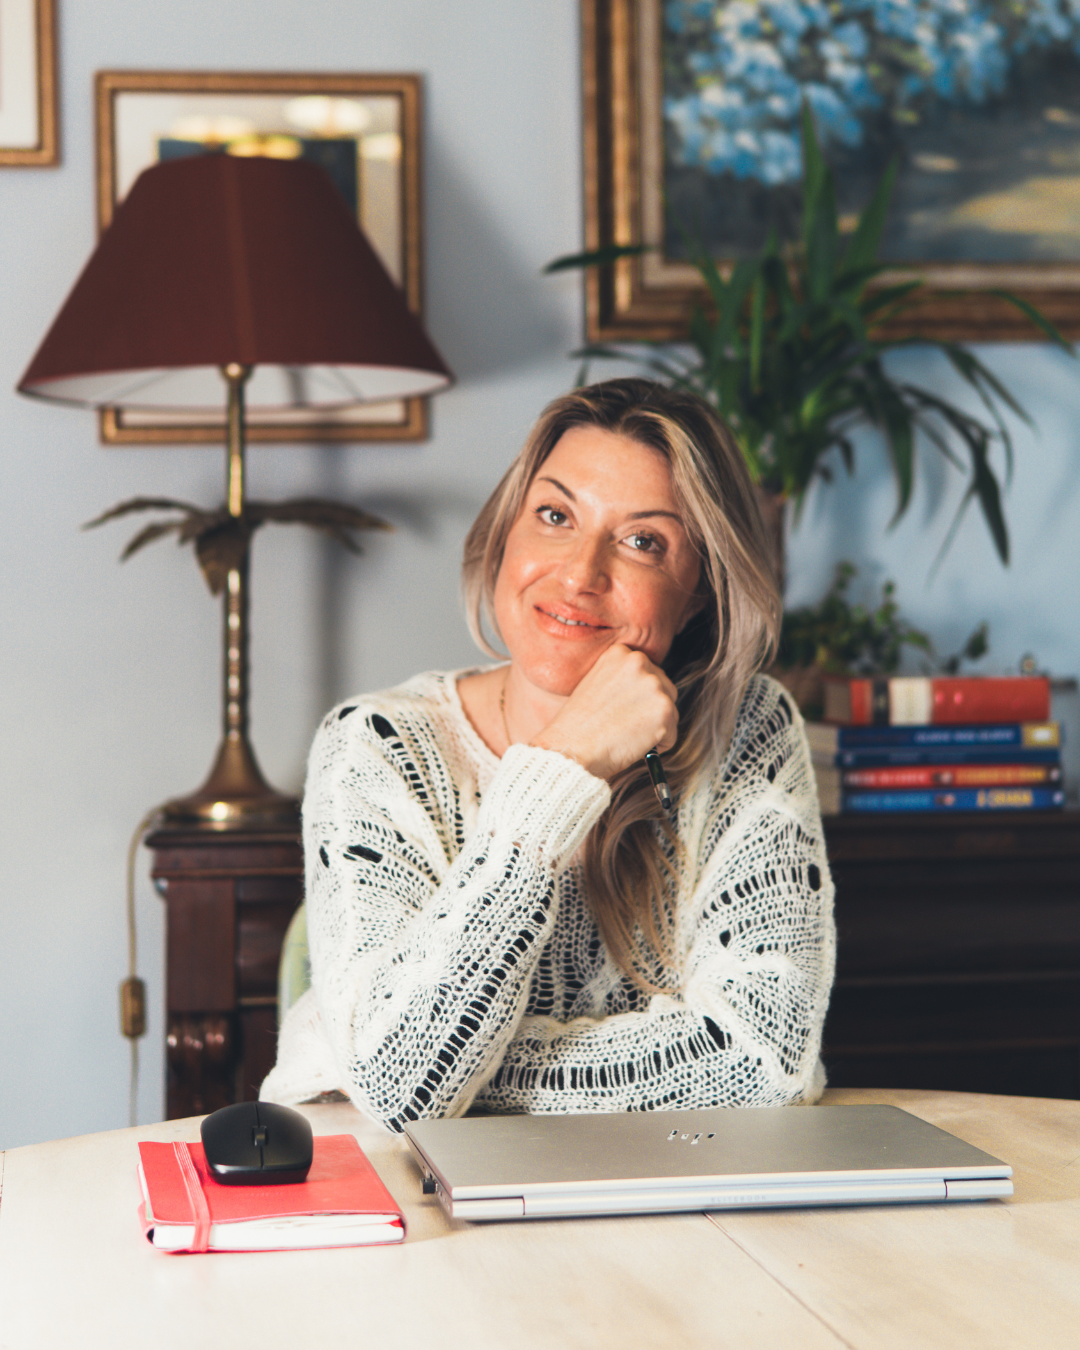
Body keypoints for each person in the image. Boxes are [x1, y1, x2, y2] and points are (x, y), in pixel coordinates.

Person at [261, 378, 835, 1132]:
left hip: (656, 1201)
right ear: (507, 533)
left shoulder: (747, 733)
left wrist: (448, 1067)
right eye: (555, 515)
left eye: (642, 542)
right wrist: (565, 767)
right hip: (405, 1206)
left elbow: (762, 1057)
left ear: (698, 592)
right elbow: (403, 1093)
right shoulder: (376, 746)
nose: (581, 572)